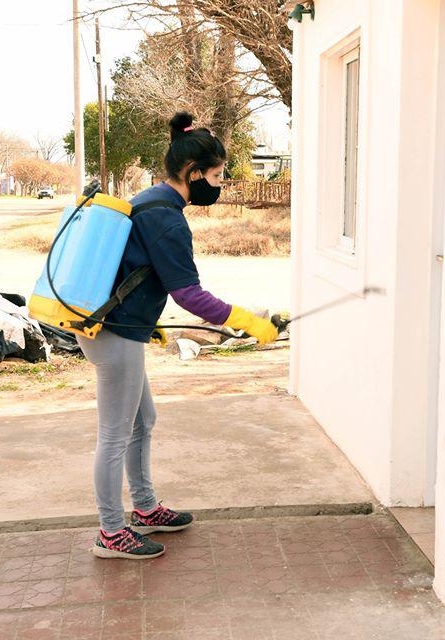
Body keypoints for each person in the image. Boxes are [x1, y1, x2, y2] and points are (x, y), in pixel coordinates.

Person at [78, 111, 279, 560]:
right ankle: (111, 532)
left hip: (119, 327)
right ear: (192, 173)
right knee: (115, 432)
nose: (219, 183)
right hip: (115, 333)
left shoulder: (152, 198)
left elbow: (132, 267)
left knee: (141, 421)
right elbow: (187, 294)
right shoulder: (167, 219)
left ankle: (145, 507)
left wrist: (148, 327)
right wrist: (245, 320)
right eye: (216, 175)